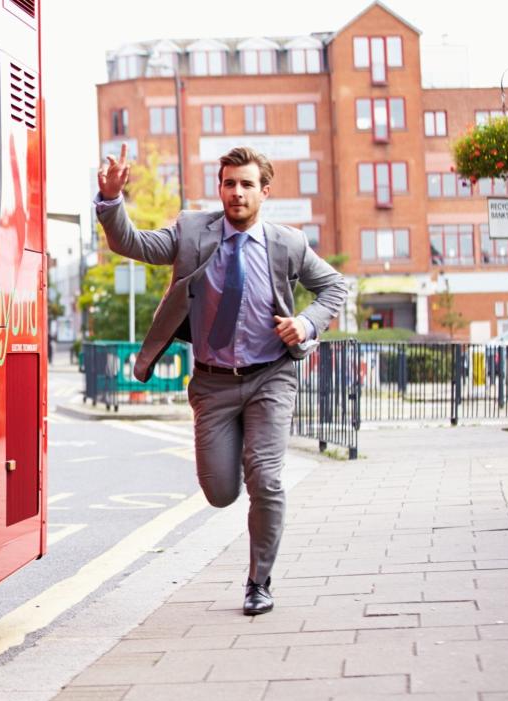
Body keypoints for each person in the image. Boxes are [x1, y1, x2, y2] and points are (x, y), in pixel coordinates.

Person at [95, 145, 347, 616]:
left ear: (264, 191)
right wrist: (111, 202)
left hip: (271, 375)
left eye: (247, 184)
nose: (237, 193)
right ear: (220, 188)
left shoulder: (287, 244)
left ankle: (259, 581)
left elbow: (334, 286)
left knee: (266, 478)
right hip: (212, 384)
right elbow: (135, 245)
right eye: (229, 183)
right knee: (220, 491)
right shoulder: (192, 231)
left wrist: (307, 323)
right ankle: (242, 526)